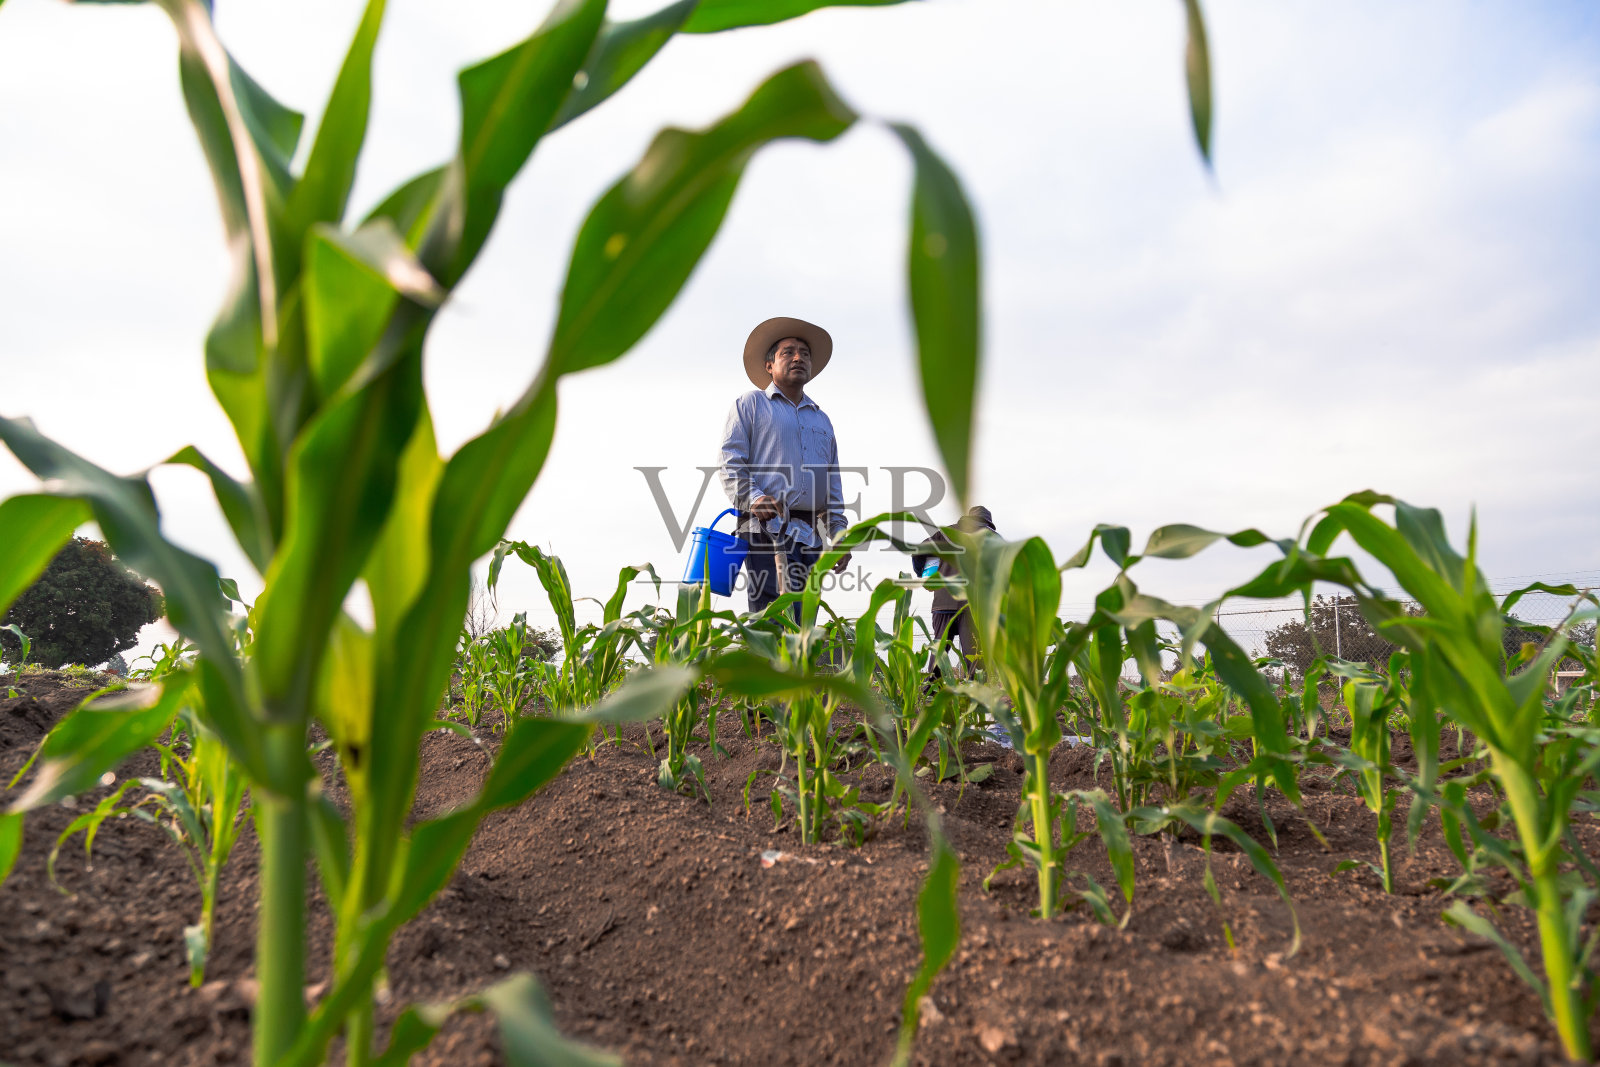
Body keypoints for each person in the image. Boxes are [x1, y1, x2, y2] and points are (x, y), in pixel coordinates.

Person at [719, 316, 852, 617]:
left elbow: (832, 489)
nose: (798, 358)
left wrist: (839, 537)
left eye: (804, 353)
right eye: (788, 352)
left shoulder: (822, 420)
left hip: (810, 539)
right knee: (773, 621)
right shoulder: (751, 405)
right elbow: (730, 461)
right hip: (766, 531)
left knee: (804, 624)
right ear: (769, 365)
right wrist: (754, 498)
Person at [911, 506, 997, 680]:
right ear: (987, 522)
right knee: (974, 657)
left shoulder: (945, 533)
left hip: (943, 602)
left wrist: (924, 575)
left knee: (939, 653)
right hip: (972, 605)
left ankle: (930, 691)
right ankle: (975, 692)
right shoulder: (991, 537)